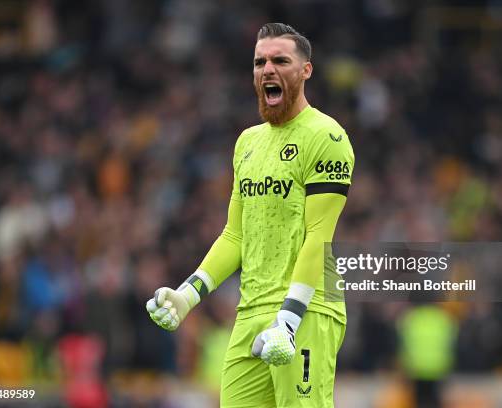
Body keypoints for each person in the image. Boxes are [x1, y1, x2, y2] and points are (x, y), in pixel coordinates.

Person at [146, 22, 354, 407]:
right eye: (260, 62)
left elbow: (318, 236)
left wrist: (289, 321)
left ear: (305, 70)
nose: (267, 70)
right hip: (250, 310)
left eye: (280, 60)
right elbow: (235, 236)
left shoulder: (327, 137)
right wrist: (187, 296)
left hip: (306, 311)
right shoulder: (247, 143)